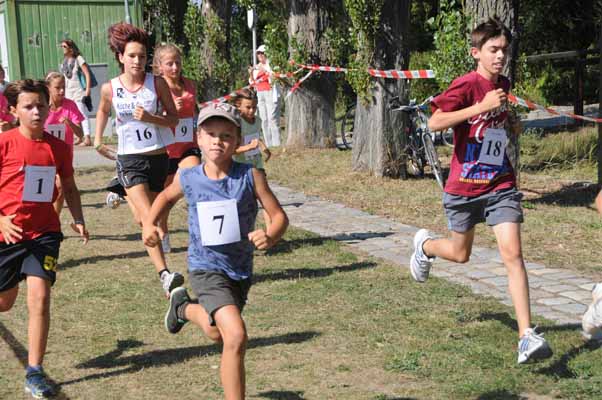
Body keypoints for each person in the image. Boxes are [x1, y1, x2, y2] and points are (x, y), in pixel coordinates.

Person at [409, 17, 552, 364]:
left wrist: (509, 122)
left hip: (500, 184)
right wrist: (480, 107)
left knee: (512, 254)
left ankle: (526, 336)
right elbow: (434, 122)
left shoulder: (503, 83)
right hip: (463, 188)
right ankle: (425, 246)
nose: (500, 55)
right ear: (476, 53)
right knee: (460, 254)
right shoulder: (466, 85)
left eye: (504, 50)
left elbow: (493, 124)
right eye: (493, 50)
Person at [142, 102, 288, 400]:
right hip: (205, 268)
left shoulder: (250, 176)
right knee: (235, 335)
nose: (217, 142)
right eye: (210, 134)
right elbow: (166, 198)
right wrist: (149, 224)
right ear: (198, 138)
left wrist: (270, 236)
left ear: (237, 141)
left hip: (239, 269)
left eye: (225, 136)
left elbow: (279, 217)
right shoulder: (190, 176)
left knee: (215, 331)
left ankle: (182, 308)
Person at [0, 79, 89, 399]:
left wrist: (77, 218)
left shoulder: (58, 147)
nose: (36, 111)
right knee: (4, 303)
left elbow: (69, 185)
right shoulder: (4, 143)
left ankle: (34, 372)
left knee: (39, 296)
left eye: (40, 105)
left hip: (44, 234)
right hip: (7, 235)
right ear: (14, 111)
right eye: (28, 106)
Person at [94, 23, 183, 298]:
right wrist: (97, 139)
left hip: (157, 158)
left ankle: (123, 195)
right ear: (121, 57)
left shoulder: (156, 84)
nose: (137, 61)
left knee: (146, 219)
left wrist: (151, 118)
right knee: (149, 220)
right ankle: (165, 276)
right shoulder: (111, 88)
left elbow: (173, 119)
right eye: (132, 55)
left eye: (142, 56)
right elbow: (103, 110)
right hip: (129, 159)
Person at [152, 43, 202, 253]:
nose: (175, 67)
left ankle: (200, 232)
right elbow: (150, 116)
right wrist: (169, 112)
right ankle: (162, 231)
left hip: (188, 145)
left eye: (178, 63)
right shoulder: (156, 87)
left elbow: (196, 110)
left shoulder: (190, 84)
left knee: (192, 179)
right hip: (166, 148)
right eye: (169, 64)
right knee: (166, 195)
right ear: (159, 66)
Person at [45, 72, 85, 215]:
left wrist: (69, 123)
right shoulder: (42, 108)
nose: (62, 91)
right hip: (45, 156)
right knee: (45, 192)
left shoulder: (70, 105)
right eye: (57, 88)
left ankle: (53, 223)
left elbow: (81, 134)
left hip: (64, 157)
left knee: (61, 189)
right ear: (48, 88)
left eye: (63, 87)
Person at [232, 88, 272, 229]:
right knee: (243, 204)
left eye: (254, 107)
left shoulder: (258, 121)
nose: (251, 111)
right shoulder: (236, 124)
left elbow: (256, 137)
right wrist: (247, 148)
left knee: (266, 199)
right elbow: (232, 150)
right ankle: (242, 232)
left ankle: (271, 233)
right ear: (238, 105)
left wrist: (264, 148)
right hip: (241, 169)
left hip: (257, 166)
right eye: (248, 107)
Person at [59, 39, 92, 146]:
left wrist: (87, 90)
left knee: (82, 114)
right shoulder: (64, 62)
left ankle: (87, 137)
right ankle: (79, 136)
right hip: (68, 92)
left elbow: (87, 74)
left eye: (64, 46)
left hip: (78, 91)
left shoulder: (79, 59)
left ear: (70, 48)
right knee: (73, 115)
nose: (62, 49)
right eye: (62, 47)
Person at [248, 45, 281, 148]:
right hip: (260, 94)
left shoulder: (271, 65)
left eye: (262, 53)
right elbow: (252, 82)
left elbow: (275, 76)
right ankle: (268, 144)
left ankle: (276, 144)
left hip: (270, 92)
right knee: (263, 119)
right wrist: (251, 73)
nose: (260, 55)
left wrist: (265, 69)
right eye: (258, 53)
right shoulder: (257, 66)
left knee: (272, 119)